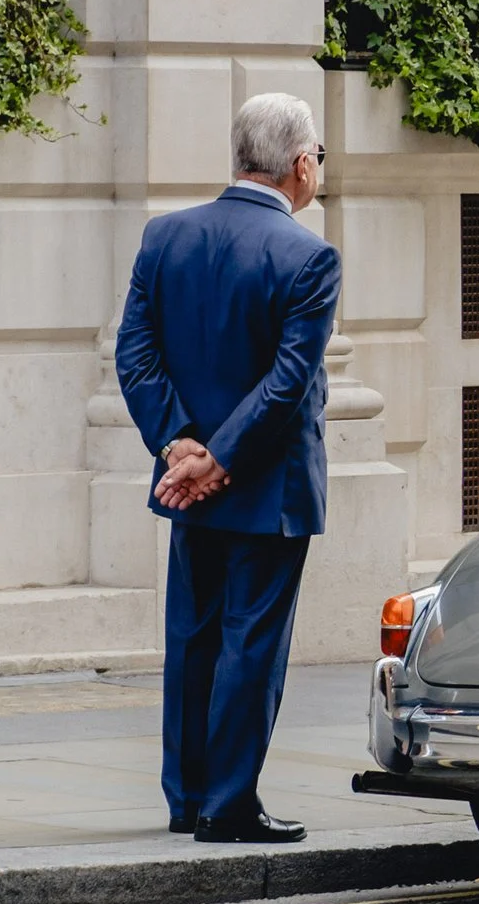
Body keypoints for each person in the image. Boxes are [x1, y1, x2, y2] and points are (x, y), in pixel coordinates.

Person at [114, 93, 339, 844]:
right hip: (268, 487)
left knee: (193, 637)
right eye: (319, 160)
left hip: (189, 486)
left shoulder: (166, 236)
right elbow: (289, 379)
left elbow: (135, 355)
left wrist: (179, 447)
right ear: (301, 163)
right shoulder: (309, 255)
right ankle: (231, 802)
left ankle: (186, 799)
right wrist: (218, 456)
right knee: (253, 646)